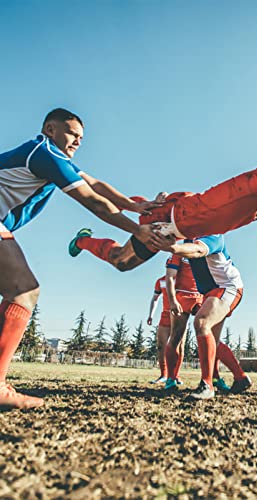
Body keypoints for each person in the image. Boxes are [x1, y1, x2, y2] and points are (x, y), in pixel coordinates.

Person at [0, 108, 159, 410]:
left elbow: (96, 184)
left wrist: (135, 207)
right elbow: (94, 202)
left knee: (20, 290)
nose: (77, 142)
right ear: (50, 128)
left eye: (81, 139)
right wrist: (139, 231)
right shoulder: (44, 152)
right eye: (72, 134)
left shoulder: (53, 158)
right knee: (23, 289)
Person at [69, 145, 257, 280]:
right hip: (170, 216)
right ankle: (73, 179)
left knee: (122, 265)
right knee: (121, 224)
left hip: (181, 231)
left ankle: (87, 237)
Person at [161, 234, 252, 400]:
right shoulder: (187, 240)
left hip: (227, 287)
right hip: (211, 292)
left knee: (202, 323)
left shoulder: (213, 235)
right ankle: (240, 378)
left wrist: (171, 246)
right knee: (212, 340)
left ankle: (207, 384)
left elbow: (198, 249)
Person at [146, 254, 203, 384]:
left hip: (181, 311)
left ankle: (175, 375)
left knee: (180, 344)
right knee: (161, 345)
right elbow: (154, 298)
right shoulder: (161, 281)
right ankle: (164, 375)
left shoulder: (182, 279)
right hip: (166, 314)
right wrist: (150, 315)